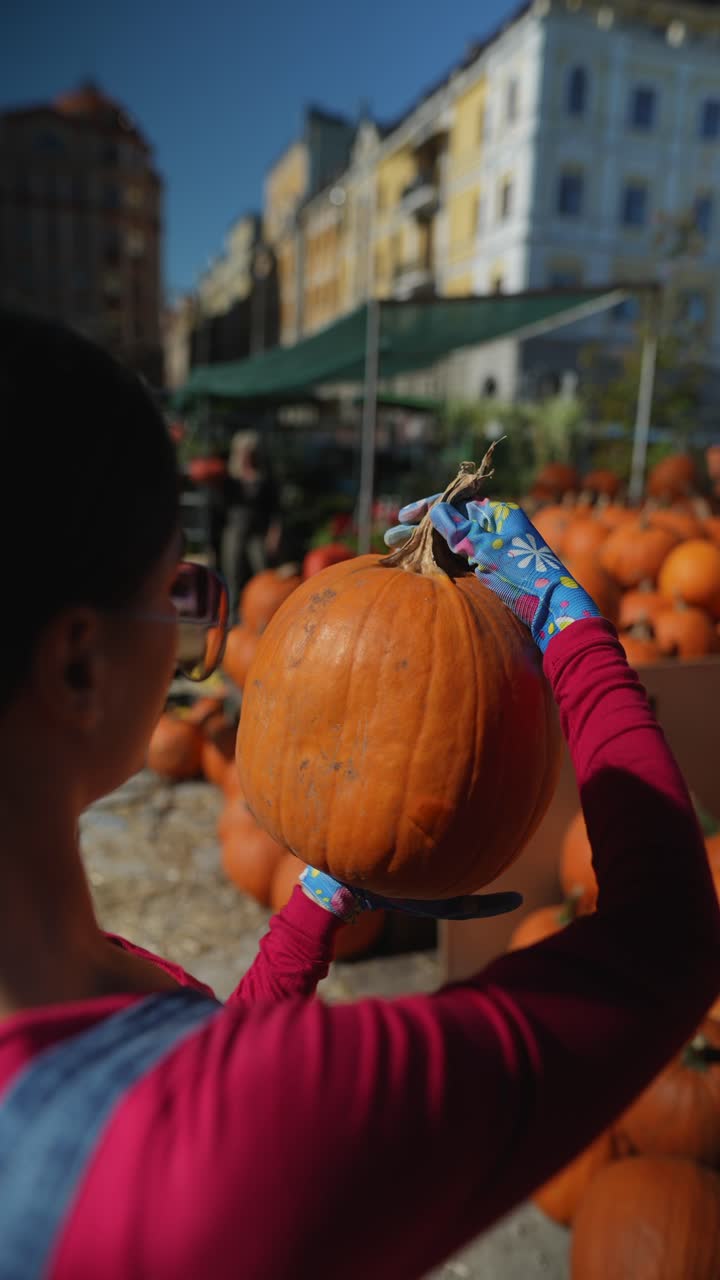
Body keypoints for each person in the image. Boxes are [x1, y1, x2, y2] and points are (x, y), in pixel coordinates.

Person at [0, 308, 718, 1280]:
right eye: (180, 589)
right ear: (78, 667)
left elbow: (195, 1064)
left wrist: (317, 903)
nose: (194, 629)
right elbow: (670, 941)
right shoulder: (265, 1133)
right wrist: (566, 623)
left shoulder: (76, 995)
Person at [220, 428, 281, 615]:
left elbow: (275, 509)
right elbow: (221, 505)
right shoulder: (230, 478)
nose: (248, 455)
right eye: (244, 451)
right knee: (233, 571)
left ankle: (261, 613)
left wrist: (274, 533)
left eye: (251, 451)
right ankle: (232, 614)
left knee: (262, 571)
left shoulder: (265, 478)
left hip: (258, 530)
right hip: (236, 528)